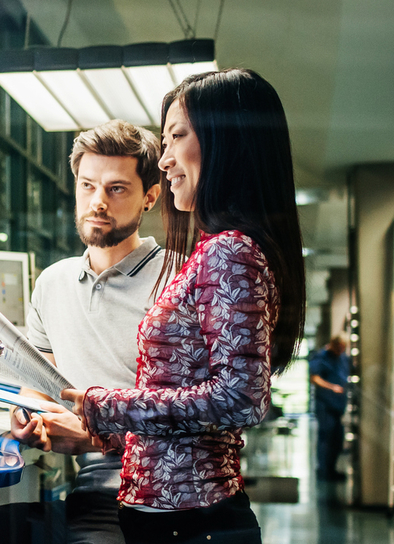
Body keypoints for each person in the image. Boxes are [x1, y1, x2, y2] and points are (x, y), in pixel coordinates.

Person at [54, 68, 307, 544]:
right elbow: (191, 409)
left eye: (176, 137)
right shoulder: (219, 249)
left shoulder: (229, 251)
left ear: (224, 142)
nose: (165, 160)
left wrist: (109, 406)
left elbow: (240, 398)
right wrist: (104, 431)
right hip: (174, 520)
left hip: (190, 523)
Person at [7, 120, 164, 544]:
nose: (97, 202)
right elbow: (39, 385)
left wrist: (95, 435)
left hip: (166, 486)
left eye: (116, 189)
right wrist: (28, 416)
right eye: (87, 185)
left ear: (149, 197)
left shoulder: (178, 280)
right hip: (94, 486)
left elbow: (198, 414)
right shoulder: (52, 284)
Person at [310, 335, 351, 481]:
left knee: (337, 438)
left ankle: (332, 468)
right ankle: (324, 470)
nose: (342, 350)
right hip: (325, 405)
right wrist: (331, 387)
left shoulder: (343, 358)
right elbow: (314, 377)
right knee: (326, 437)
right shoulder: (321, 356)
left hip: (338, 405)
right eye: (340, 347)